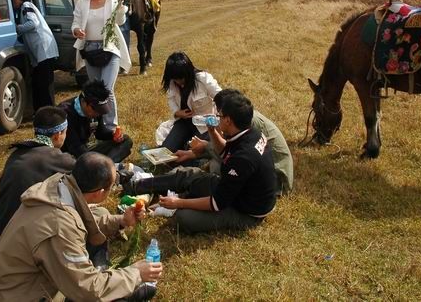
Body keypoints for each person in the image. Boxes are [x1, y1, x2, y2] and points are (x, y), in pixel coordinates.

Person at [0, 152, 163, 301]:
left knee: (100, 215)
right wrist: (135, 274)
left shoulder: (59, 185)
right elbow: (88, 290)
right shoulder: (59, 226)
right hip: (17, 295)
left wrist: (122, 220)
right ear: (99, 193)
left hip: (8, 284)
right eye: (112, 186)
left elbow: (83, 222)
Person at [124, 91, 277, 234]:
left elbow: (217, 203)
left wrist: (178, 203)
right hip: (237, 190)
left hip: (246, 211)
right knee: (186, 175)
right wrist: (212, 131)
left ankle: (178, 198)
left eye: (220, 115)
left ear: (228, 120)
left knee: (184, 218)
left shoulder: (243, 157)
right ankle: (134, 185)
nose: (217, 118)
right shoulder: (251, 133)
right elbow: (225, 152)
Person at [0, 106, 75, 251]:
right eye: (65, 132)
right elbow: (85, 173)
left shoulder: (17, 153)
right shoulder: (56, 158)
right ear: (58, 135)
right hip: (21, 242)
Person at [174, 89, 294, 195]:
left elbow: (230, 153)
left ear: (228, 116)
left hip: (276, 178)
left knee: (217, 166)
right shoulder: (241, 118)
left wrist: (204, 147)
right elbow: (226, 148)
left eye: (219, 112)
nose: (217, 115)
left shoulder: (247, 124)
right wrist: (191, 153)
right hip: (261, 168)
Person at [72, 0, 131, 132]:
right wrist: (76, 31)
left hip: (110, 49)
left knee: (107, 89)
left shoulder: (112, 0)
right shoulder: (82, 2)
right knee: (95, 91)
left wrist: (120, 5)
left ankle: (111, 127)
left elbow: (119, 21)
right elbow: (75, 22)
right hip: (90, 50)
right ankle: (99, 123)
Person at [158, 52, 222, 152]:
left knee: (194, 152)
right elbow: (171, 99)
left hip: (204, 125)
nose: (179, 82)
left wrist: (217, 119)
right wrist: (177, 112)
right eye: (176, 79)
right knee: (167, 150)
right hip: (184, 122)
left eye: (181, 79)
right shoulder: (172, 82)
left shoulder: (203, 79)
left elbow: (221, 97)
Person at [58, 79, 133, 163]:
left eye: (100, 110)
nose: (98, 113)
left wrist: (113, 135)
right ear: (84, 102)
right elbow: (75, 147)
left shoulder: (96, 111)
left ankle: (105, 165)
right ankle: (103, 166)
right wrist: (92, 159)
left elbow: (100, 133)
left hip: (86, 150)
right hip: (69, 156)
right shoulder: (65, 112)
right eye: (96, 110)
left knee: (126, 141)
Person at [11, 0, 59, 111]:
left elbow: (33, 23)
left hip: (44, 51)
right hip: (41, 53)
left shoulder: (26, 6)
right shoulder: (23, 9)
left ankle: (49, 113)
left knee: (45, 85)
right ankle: (40, 111)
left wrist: (17, 28)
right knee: (39, 83)